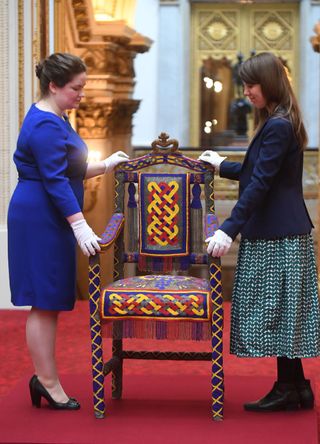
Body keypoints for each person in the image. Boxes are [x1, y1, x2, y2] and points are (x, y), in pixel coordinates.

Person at [198, 51, 320, 412]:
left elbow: (262, 183)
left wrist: (228, 229)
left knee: (278, 312)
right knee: (283, 312)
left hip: (278, 234)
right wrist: (223, 165)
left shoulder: (279, 124)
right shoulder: (278, 120)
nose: (246, 92)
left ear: (268, 84)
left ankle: (290, 388)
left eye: (251, 85)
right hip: (280, 231)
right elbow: (261, 170)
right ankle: (296, 388)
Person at [7, 53, 129, 410]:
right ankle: (47, 383)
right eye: (76, 88)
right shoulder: (45, 124)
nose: (81, 95)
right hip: (40, 218)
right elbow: (56, 180)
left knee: (51, 301)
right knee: (44, 302)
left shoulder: (56, 117)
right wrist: (80, 225)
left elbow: (68, 168)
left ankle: (43, 379)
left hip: (50, 215)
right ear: (54, 85)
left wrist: (105, 165)